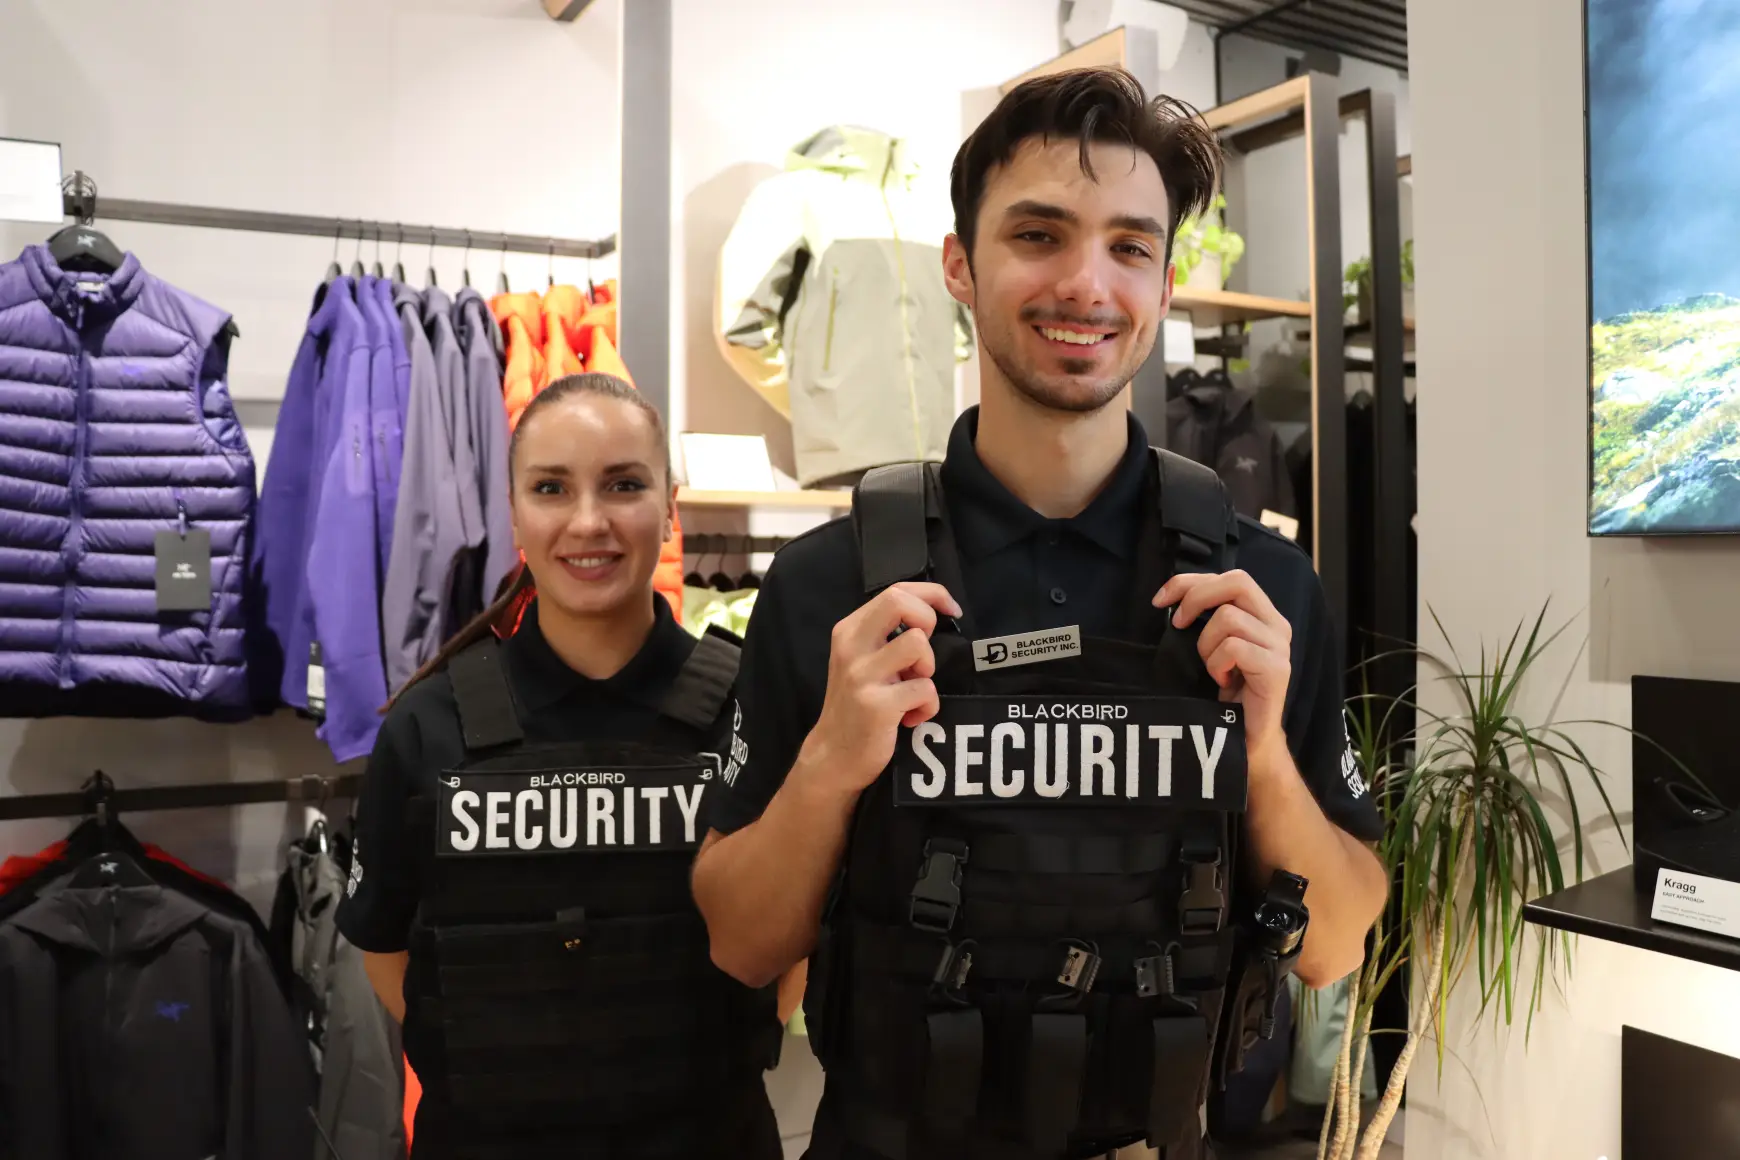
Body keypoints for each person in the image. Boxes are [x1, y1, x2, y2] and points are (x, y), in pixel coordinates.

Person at [691, 68, 1390, 1160]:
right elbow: (739, 944)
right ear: (960, 266)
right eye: (1038, 234)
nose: (1086, 283)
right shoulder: (832, 585)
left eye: (1130, 246)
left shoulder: (1259, 591)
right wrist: (831, 760)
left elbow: (1336, 943)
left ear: (1164, 285)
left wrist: (1259, 758)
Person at [336, 373, 784, 1160]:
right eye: (551, 488)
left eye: (624, 485)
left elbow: (794, 947)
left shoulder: (754, 707)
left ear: (669, 507)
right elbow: (386, 950)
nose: (588, 522)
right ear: (513, 512)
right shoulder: (429, 724)